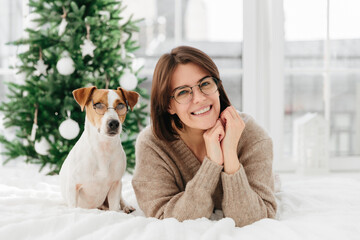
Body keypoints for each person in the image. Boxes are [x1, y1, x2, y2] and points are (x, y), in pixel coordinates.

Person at [132, 46, 277, 227]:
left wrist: (230, 155)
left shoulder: (253, 136)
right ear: (169, 106)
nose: (199, 98)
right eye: (183, 92)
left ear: (218, 87)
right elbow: (166, 219)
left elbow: (254, 221)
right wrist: (212, 165)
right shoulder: (152, 145)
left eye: (205, 84)